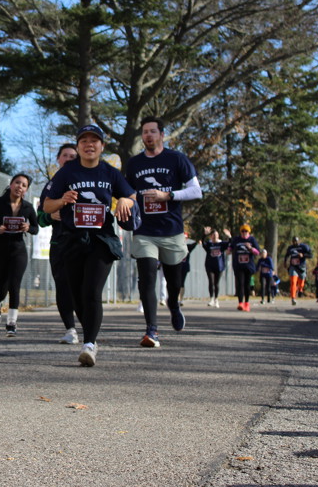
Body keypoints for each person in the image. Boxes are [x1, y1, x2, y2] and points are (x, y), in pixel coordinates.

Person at [43, 124, 137, 366]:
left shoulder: (110, 172)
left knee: (92, 291)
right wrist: (62, 200)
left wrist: (124, 201)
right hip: (72, 239)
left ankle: (89, 344)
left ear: (102, 146)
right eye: (83, 141)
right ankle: (90, 334)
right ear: (78, 146)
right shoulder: (67, 172)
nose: (89, 144)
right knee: (76, 295)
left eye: (94, 140)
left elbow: (131, 195)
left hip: (101, 240)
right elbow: (47, 205)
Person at [124, 117, 203, 348]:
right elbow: (127, 192)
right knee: (147, 277)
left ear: (162, 134)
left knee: (174, 280)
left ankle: (174, 305)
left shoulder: (177, 159)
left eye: (152, 131)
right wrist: (126, 204)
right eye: (145, 132)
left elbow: (196, 191)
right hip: (144, 230)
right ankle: (152, 330)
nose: (148, 135)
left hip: (172, 230)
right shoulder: (134, 163)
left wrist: (168, 196)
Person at [0, 174, 39, 336]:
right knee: (1, 289)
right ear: (11, 184)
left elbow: (36, 228)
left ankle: (11, 322)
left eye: (24, 185)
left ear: (26, 190)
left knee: (14, 285)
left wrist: (28, 228)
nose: (20, 186)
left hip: (18, 250)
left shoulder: (28, 207)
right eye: (17, 182)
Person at [38, 143, 80, 344]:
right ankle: (70, 329)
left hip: (84, 242)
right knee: (63, 286)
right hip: (60, 243)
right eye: (65, 156)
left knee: (83, 286)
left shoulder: (86, 181)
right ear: (58, 159)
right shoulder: (52, 185)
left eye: (73, 156)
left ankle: (89, 326)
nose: (69, 159)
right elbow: (39, 217)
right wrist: (50, 216)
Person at [226, 225, 260, 311]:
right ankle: (240, 303)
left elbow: (257, 252)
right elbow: (230, 247)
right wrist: (229, 250)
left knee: (247, 285)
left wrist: (250, 248)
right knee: (240, 284)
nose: (244, 233)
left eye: (246, 231)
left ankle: (247, 303)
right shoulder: (237, 239)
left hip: (248, 266)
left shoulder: (252, 240)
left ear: (249, 232)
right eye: (243, 231)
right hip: (239, 265)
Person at [283, 236, 313, 306]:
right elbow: (287, 255)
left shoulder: (304, 247)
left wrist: (303, 255)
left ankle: (300, 289)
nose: (295, 242)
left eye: (296, 241)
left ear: (299, 241)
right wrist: (285, 262)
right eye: (294, 241)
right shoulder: (290, 248)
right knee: (293, 282)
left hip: (301, 267)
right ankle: (293, 298)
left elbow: (311, 255)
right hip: (293, 266)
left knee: (301, 283)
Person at [201, 228, 227, 307]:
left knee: (216, 283)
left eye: (216, 235)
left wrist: (229, 236)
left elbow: (230, 243)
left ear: (218, 236)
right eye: (213, 235)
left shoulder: (221, 244)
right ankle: (211, 299)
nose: (215, 236)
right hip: (210, 266)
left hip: (219, 266)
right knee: (211, 282)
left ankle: (216, 299)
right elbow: (203, 243)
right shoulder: (209, 244)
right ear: (211, 236)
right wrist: (204, 235)